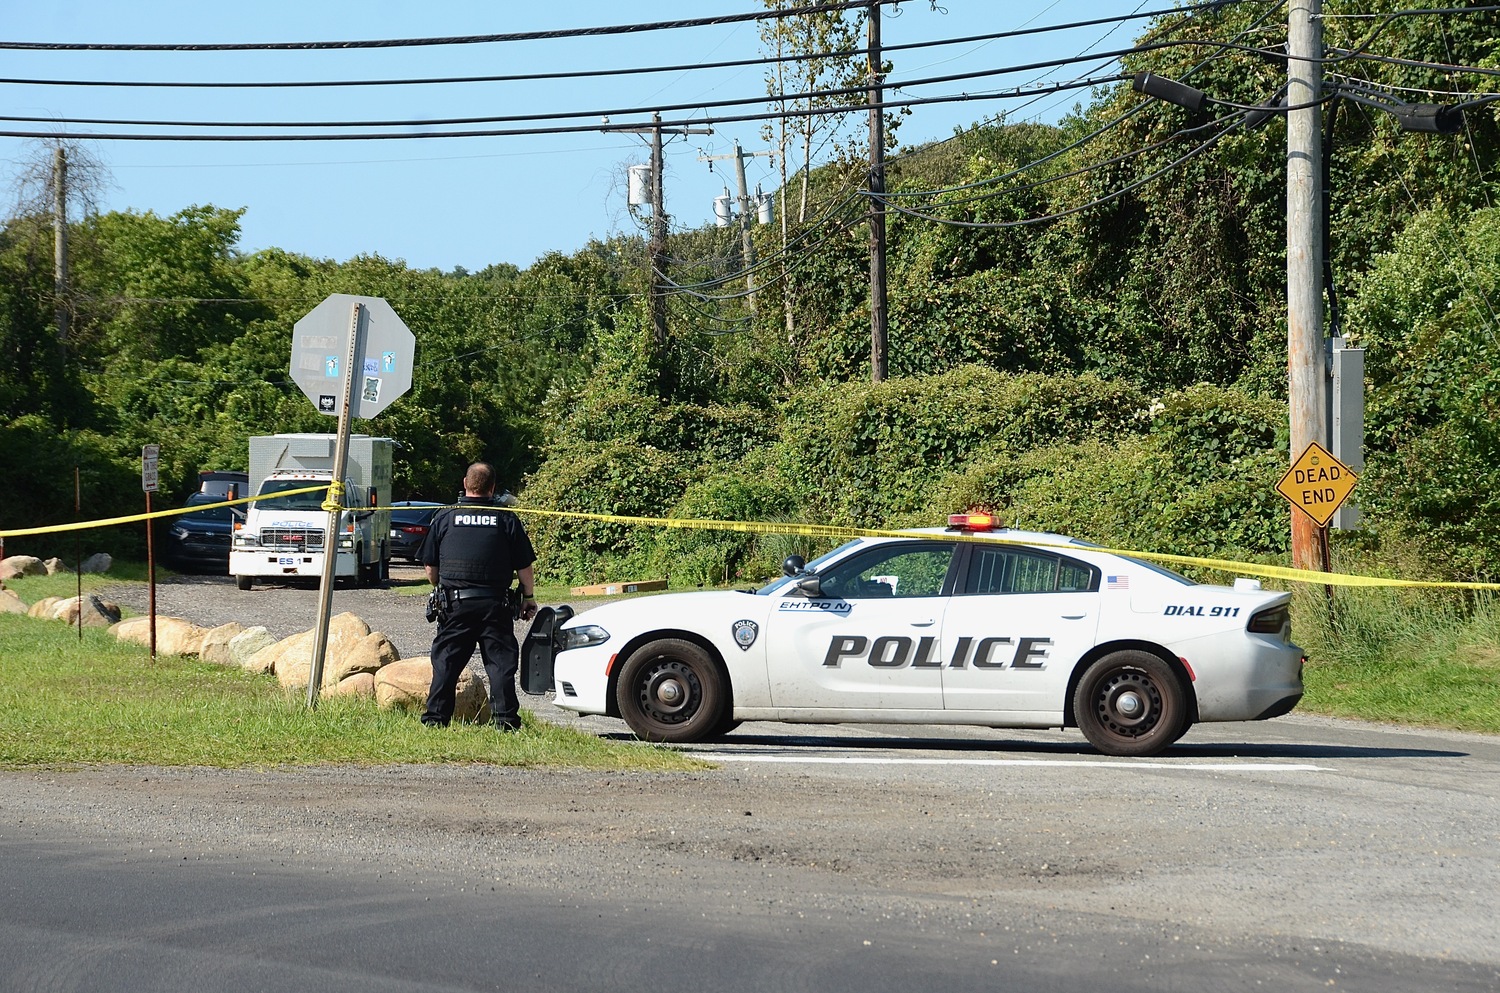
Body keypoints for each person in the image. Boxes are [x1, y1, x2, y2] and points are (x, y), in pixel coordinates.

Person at [417, 462, 539, 731]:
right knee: (500, 664)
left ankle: (436, 720)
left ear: (465, 483)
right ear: (493, 487)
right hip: (495, 604)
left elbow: (430, 566)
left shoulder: (446, 517)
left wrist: (440, 586)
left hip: (455, 604)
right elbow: (525, 566)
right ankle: (505, 722)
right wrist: (528, 596)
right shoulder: (506, 518)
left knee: (446, 663)